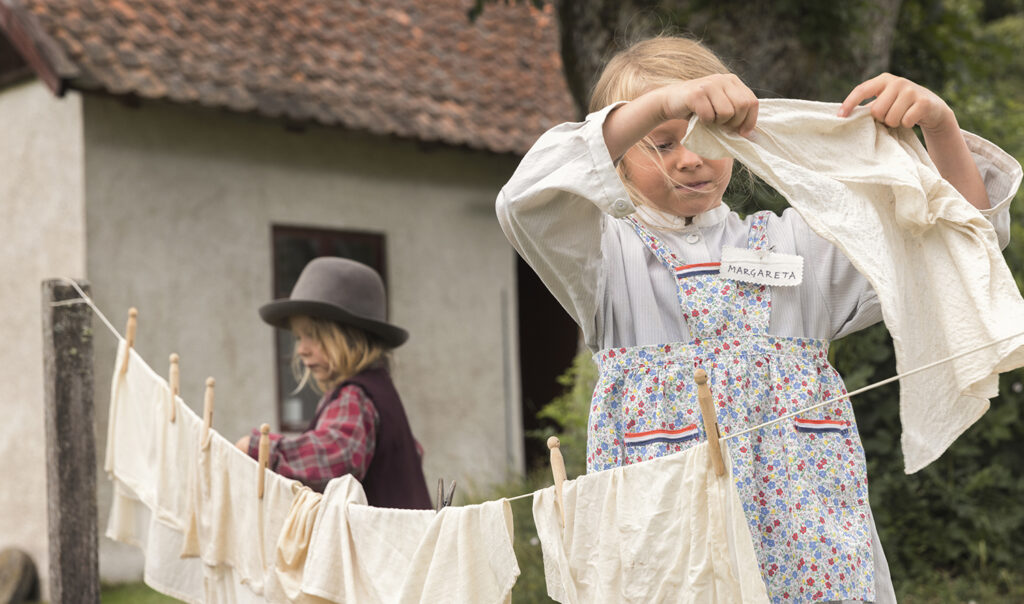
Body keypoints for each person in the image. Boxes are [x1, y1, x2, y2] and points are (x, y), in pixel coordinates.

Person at [496, 36, 1019, 602]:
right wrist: (655, 104)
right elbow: (524, 199)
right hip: (669, 553)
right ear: (614, 156)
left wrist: (938, 128)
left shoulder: (797, 246)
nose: (690, 158)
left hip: (807, 555)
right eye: (662, 142)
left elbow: (960, 247)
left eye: (703, 136)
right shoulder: (606, 259)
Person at [236, 257, 432, 509]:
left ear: (353, 338)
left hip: (376, 546)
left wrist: (259, 449)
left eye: (313, 335)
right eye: (298, 337)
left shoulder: (354, 396)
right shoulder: (381, 391)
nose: (302, 349)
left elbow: (336, 455)